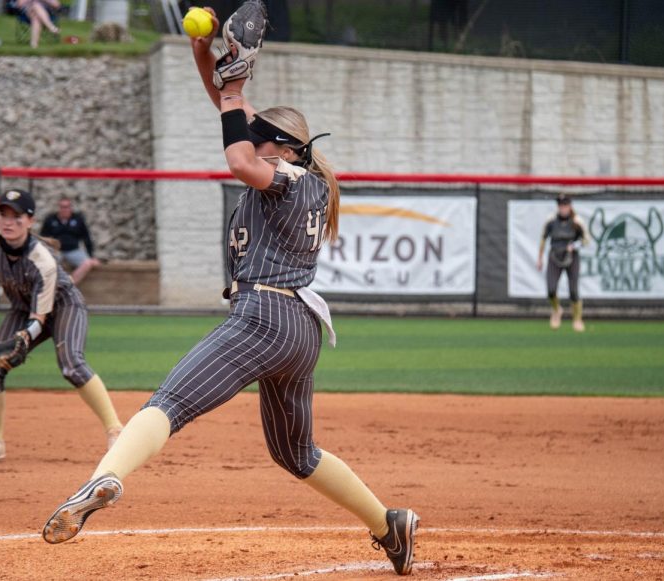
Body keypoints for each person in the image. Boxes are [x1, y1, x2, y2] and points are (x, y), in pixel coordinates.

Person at [40, 6, 420, 576]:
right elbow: (237, 130)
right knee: (296, 454)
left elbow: (241, 156)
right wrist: (209, 67)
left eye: (266, 140)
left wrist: (234, 85)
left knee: (168, 403)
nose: (253, 145)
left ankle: (102, 479)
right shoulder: (295, 175)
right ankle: (388, 525)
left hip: (264, 316)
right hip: (299, 331)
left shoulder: (291, 178)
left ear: (288, 148)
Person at [0, 189, 123, 462]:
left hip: (64, 305)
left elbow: (40, 318)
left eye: (16, 216)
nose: (8, 222)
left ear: (30, 221)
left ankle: (116, 430)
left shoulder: (42, 259)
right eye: (3, 214)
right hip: (25, 309)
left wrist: (22, 338)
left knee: (72, 364)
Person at [537, 194, 589, 332]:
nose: (563, 208)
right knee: (551, 289)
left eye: (565, 205)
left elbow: (586, 240)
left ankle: (577, 319)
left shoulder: (577, 221)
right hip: (555, 255)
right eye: (560, 205)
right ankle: (556, 310)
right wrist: (540, 258)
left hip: (571, 257)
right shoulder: (551, 221)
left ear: (570, 206)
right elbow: (543, 239)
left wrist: (574, 246)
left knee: (573, 290)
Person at [40, 197, 101, 285]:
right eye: (62, 207)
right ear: (58, 208)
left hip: (73, 250)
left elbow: (86, 238)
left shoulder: (78, 219)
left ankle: (69, 284)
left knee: (88, 263)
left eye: (67, 207)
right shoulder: (50, 219)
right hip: (57, 251)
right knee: (47, 265)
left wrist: (91, 255)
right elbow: (43, 237)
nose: (65, 209)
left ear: (70, 208)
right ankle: (52, 286)